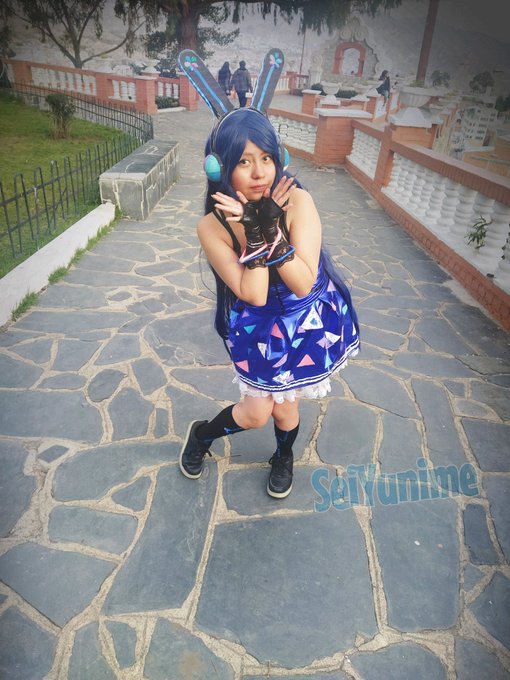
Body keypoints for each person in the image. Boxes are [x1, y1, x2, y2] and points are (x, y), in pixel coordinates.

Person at [177, 47, 359, 499]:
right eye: (243, 161)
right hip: (259, 324)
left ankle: (283, 455)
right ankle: (202, 434)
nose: (258, 173)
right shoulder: (212, 226)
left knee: (286, 411)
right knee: (256, 413)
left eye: (265, 158)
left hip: (307, 315)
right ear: (219, 167)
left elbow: (301, 280)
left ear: (279, 158)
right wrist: (254, 232)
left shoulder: (298, 201)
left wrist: (269, 227)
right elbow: (254, 293)